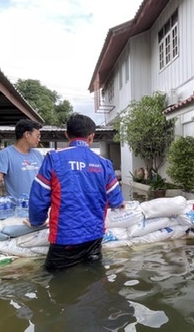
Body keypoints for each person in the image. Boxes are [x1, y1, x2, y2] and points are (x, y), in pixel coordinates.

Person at [26, 113, 124, 272]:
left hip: (65, 239)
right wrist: (119, 203)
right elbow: (116, 201)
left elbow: (38, 198)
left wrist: (36, 221)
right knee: (94, 280)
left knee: (58, 285)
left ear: (66, 134)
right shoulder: (104, 164)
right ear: (91, 137)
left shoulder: (54, 158)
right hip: (95, 238)